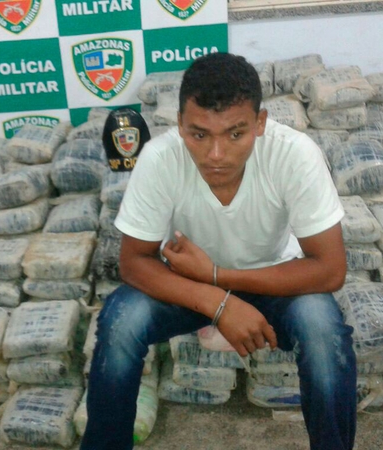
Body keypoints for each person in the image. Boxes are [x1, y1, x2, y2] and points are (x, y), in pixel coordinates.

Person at [82, 52, 356, 450]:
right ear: (180, 124)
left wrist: (218, 277)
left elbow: (330, 270)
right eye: (199, 135)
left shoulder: (294, 154)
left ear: (260, 123)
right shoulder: (160, 158)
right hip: (190, 285)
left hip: (274, 279)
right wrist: (218, 302)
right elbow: (133, 263)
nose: (216, 154)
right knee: (121, 321)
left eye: (234, 134)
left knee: (323, 329)